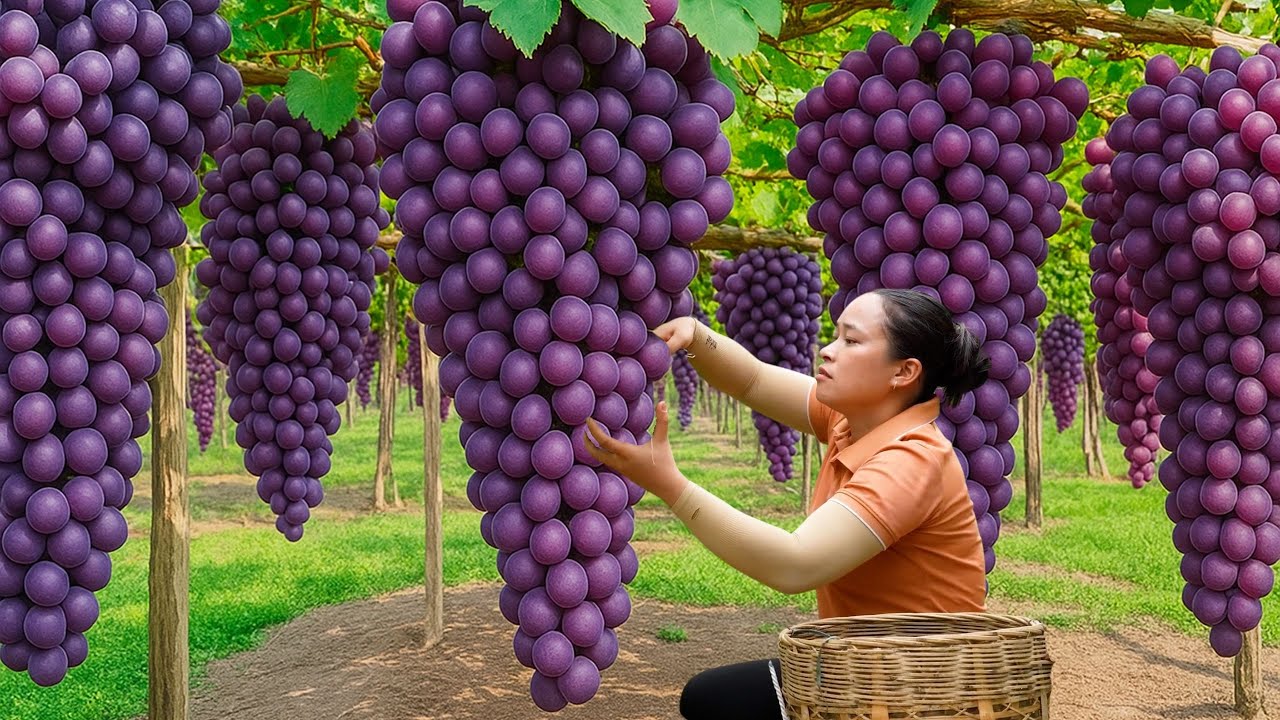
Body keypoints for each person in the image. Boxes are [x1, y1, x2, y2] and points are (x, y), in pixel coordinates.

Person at [582, 288, 992, 720]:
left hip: (925, 691)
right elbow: (753, 380)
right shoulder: (854, 421)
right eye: (834, 337)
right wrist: (697, 336)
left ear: (904, 372)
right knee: (710, 698)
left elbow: (794, 564)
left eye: (851, 341)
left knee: (716, 701)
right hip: (864, 671)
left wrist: (670, 486)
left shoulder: (912, 460)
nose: (827, 351)